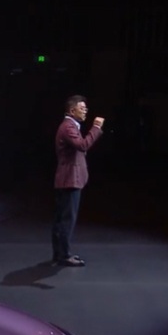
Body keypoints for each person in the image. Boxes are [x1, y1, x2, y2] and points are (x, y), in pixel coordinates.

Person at [51, 95, 104, 267]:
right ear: (72, 110)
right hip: (69, 180)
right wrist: (96, 128)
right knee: (67, 220)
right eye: (82, 108)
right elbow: (82, 145)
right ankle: (64, 256)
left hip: (68, 179)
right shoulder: (68, 126)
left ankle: (59, 254)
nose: (85, 111)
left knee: (62, 219)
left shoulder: (71, 125)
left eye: (85, 108)